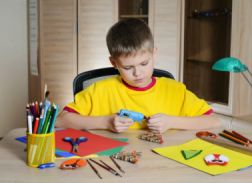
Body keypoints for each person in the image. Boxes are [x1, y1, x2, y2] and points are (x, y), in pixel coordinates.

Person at [56, 18, 220, 133]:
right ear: (114, 63)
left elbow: (213, 120)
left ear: (154, 54)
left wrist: (171, 122)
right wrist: (105, 122)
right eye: (128, 67)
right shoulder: (99, 90)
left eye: (144, 63)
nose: (138, 73)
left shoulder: (175, 90)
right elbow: (61, 120)